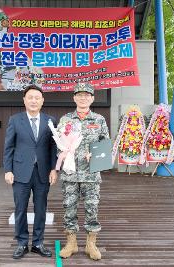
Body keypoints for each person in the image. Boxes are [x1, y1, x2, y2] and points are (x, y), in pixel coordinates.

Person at [3, 84, 58, 259]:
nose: (33, 100)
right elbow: (9, 147)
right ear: (24, 100)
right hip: (20, 172)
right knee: (20, 208)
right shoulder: (15, 120)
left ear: (42, 101)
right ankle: (21, 243)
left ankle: (38, 243)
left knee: (41, 208)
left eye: (37, 98)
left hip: (42, 172)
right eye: (30, 97)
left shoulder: (50, 121)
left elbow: (53, 148)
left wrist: (54, 169)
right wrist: (8, 170)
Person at [58, 82, 110, 261]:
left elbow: (105, 146)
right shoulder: (66, 120)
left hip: (91, 174)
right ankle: (71, 243)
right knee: (69, 208)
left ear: (92, 98)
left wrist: (94, 154)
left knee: (92, 208)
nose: (83, 98)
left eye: (87, 95)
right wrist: (64, 152)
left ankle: (90, 244)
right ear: (74, 98)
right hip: (70, 174)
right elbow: (58, 145)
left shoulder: (99, 119)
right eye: (79, 95)